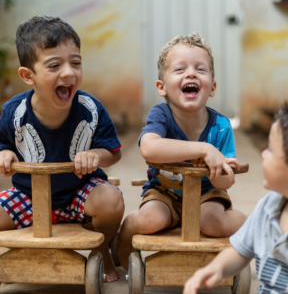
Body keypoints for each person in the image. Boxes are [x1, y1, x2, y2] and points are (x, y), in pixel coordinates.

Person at [0, 15, 124, 283]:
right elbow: (3, 144)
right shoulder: (13, 113)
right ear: (28, 76)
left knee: (111, 200)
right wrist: (4, 153)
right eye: (54, 65)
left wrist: (96, 155)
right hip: (28, 196)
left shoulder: (90, 109)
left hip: (80, 194)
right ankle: (23, 254)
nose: (68, 72)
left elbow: (113, 151)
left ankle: (102, 249)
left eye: (75, 63)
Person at [117, 32, 247, 270]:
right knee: (150, 220)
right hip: (164, 192)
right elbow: (149, 148)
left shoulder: (221, 126)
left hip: (207, 195)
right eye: (180, 69)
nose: (190, 73)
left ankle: (253, 225)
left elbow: (225, 184)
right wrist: (204, 149)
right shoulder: (161, 115)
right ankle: (122, 243)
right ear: (162, 87)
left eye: (200, 69)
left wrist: (221, 172)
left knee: (213, 223)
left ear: (213, 88)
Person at [184, 102, 288, 294]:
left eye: (270, 149)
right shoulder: (267, 208)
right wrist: (217, 268)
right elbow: (239, 250)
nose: (263, 153)